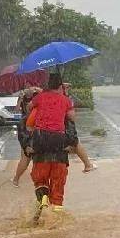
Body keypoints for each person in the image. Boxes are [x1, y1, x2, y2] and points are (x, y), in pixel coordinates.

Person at [26, 73, 76, 212]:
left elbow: (29, 107)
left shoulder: (40, 97)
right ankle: (56, 211)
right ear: (60, 86)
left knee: (40, 175)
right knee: (58, 178)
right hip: (58, 140)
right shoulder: (65, 100)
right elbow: (72, 117)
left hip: (40, 138)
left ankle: (42, 198)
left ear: (48, 85)